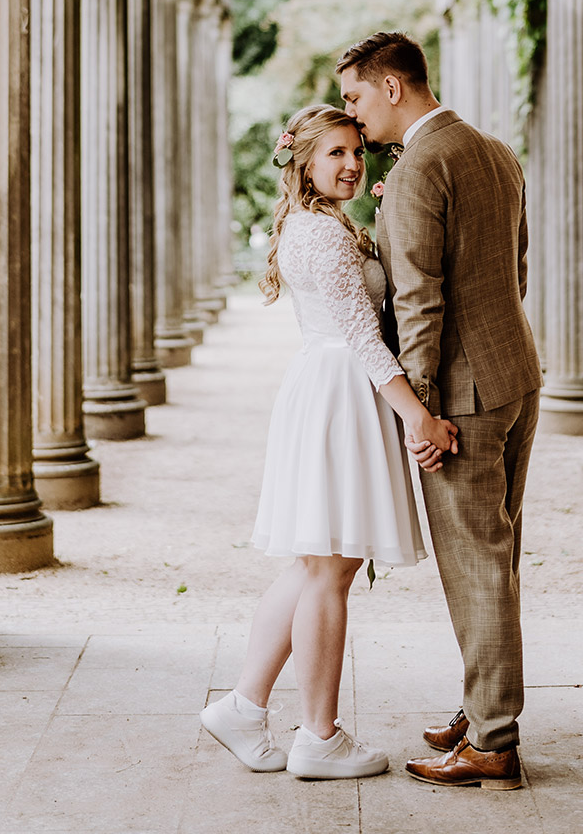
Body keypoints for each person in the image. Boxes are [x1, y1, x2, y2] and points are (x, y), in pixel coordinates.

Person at [200, 103, 458, 781]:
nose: (351, 165)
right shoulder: (320, 234)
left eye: (356, 152)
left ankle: (243, 707)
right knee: (328, 571)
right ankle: (318, 736)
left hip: (336, 389)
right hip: (341, 392)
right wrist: (417, 418)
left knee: (320, 567)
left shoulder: (325, 223)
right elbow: (362, 339)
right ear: (304, 163)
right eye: (335, 154)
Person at [337, 32, 542, 792]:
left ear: (394, 87)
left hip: (464, 395)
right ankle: (481, 704)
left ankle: (492, 741)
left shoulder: (422, 164)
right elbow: (514, 262)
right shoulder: (491, 148)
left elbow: (418, 299)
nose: (354, 120)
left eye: (357, 98)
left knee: (477, 566)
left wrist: (418, 410)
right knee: (500, 557)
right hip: (516, 372)